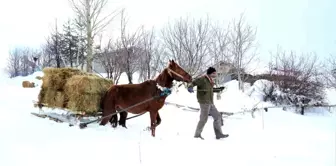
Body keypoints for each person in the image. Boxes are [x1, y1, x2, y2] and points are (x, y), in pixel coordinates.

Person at [187, 67, 229, 140]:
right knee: (203, 119)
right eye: (214, 73)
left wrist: (218, 89)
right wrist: (190, 87)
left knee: (218, 116)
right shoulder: (202, 79)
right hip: (204, 102)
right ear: (210, 73)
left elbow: (209, 90)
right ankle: (197, 135)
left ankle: (218, 134)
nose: (215, 74)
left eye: (215, 73)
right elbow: (193, 82)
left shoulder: (210, 81)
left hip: (210, 102)